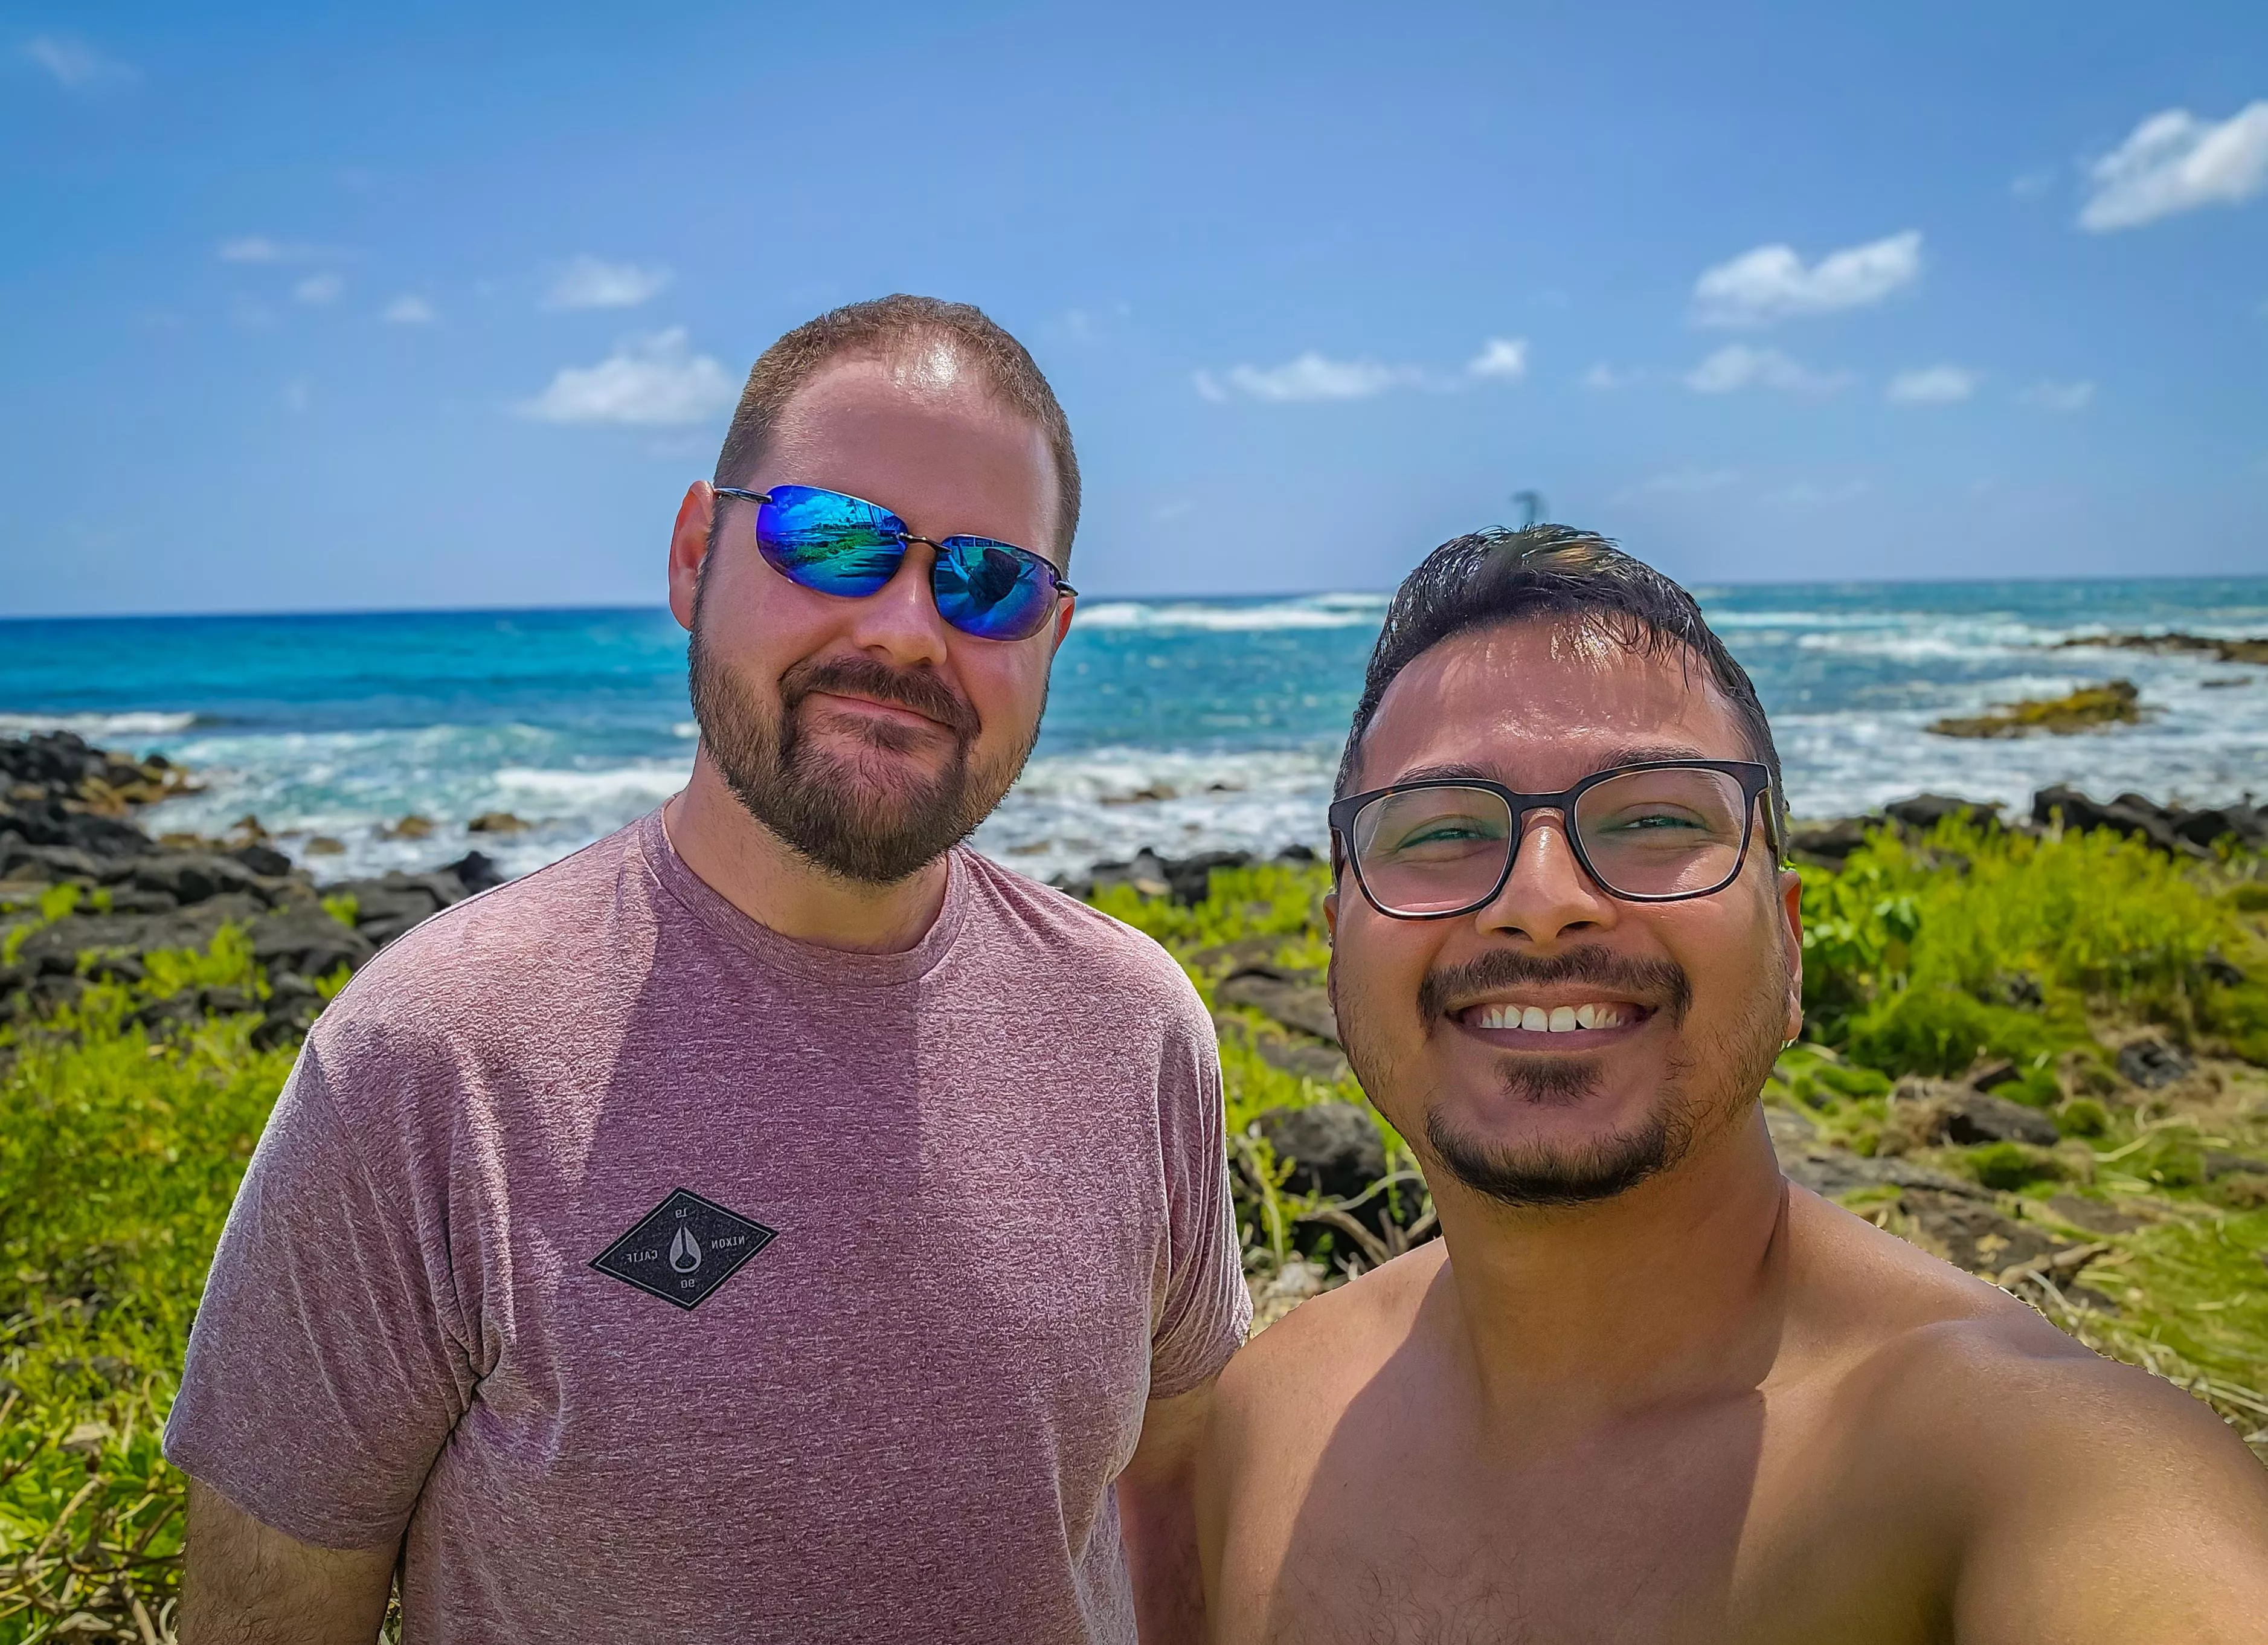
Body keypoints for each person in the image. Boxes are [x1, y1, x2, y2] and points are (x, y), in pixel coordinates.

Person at [165, 295, 1249, 1644]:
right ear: (695, 555)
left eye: (988, 581)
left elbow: (1180, 1502)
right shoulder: (429, 1055)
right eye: (833, 539)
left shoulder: (1133, 1026)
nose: (911, 629)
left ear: (1049, 636)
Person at [1197, 527, 2268, 1643]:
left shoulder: (2019, 1465)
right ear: (1333, 953)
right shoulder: (1266, 1421)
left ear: (1791, 950)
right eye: (1442, 829)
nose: (1541, 896)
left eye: (1656, 816)